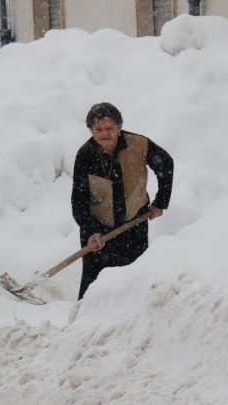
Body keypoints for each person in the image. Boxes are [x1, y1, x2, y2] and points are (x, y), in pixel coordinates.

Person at [72, 102, 174, 300]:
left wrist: (160, 202)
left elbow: (165, 164)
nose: (104, 134)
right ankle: (81, 324)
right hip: (98, 231)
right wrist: (91, 230)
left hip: (134, 225)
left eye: (109, 128)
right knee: (93, 287)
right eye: (98, 129)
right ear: (91, 131)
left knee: (133, 283)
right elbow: (79, 199)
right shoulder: (85, 155)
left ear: (119, 127)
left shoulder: (139, 144)